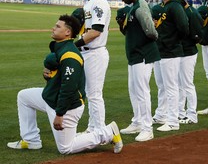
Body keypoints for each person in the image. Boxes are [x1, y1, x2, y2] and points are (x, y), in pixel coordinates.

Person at [7, 14, 123, 154]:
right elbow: (58, 77)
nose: (53, 28)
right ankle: (31, 140)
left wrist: (60, 114)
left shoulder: (70, 54)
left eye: (57, 26)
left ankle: (107, 132)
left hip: (68, 106)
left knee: (65, 148)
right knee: (24, 97)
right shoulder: (60, 48)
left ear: (68, 32)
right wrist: (48, 76)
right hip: (51, 98)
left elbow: (68, 88)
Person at [117, 0, 160, 142]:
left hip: (143, 54)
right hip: (135, 56)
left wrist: (148, 41)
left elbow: (151, 31)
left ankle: (147, 128)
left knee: (142, 92)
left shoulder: (140, 7)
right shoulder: (134, 7)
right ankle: (138, 121)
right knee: (134, 90)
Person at [74, 0, 111, 132]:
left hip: (95, 52)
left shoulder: (99, 2)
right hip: (87, 51)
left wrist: (74, 44)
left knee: (95, 94)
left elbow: (96, 31)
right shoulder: (89, 2)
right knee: (90, 93)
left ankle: (100, 131)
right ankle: (92, 127)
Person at [152, 0, 189, 131]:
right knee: (161, 86)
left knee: (171, 87)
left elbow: (184, 28)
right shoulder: (162, 6)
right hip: (160, 51)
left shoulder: (175, 6)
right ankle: (162, 115)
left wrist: (171, 42)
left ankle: (173, 121)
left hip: (171, 52)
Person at [173, 0, 203, 124]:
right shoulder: (182, 11)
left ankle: (192, 115)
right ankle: (180, 112)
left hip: (189, 52)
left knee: (187, 84)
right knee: (180, 84)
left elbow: (197, 35)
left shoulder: (192, 13)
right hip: (180, 51)